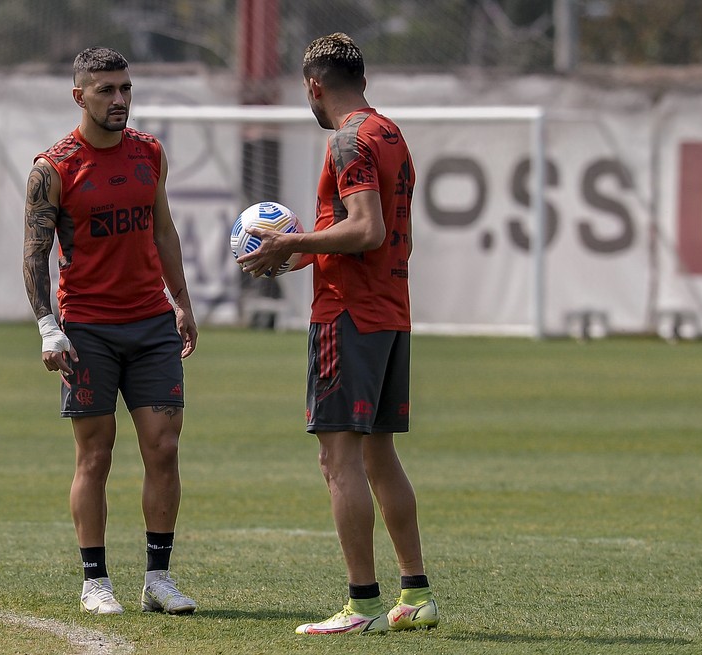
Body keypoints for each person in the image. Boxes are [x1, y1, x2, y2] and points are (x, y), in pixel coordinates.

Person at [238, 32, 438, 635]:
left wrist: (291, 241)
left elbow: (367, 229)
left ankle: (363, 604)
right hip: (388, 310)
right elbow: (369, 236)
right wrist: (300, 254)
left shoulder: (347, 139)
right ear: (364, 80)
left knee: (337, 457)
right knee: (379, 453)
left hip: (348, 316)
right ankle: (417, 594)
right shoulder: (389, 134)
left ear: (314, 86)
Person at [22, 46, 198, 616]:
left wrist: (183, 302)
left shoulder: (149, 153)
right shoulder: (53, 169)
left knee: (164, 449)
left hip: (151, 324)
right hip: (88, 329)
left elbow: (164, 230)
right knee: (95, 455)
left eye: (125, 88)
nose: (120, 99)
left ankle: (158, 578)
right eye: (106, 90)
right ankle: (95, 581)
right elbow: (34, 254)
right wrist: (49, 327)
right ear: (80, 96)